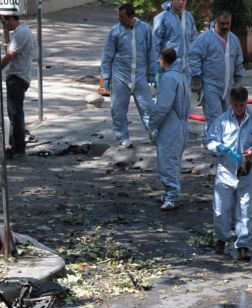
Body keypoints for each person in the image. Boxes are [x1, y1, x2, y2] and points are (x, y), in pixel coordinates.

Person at [205, 86, 252, 260]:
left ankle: (243, 244)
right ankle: (221, 238)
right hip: (226, 170)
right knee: (220, 208)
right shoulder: (222, 121)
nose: (239, 109)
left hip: (247, 171)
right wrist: (220, 147)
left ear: (246, 102)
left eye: (242, 105)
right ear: (231, 103)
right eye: (236, 105)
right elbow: (210, 140)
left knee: (245, 208)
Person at [100, 4, 155, 148]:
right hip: (120, 77)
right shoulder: (115, 31)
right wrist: (106, 76)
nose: (119, 19)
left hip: (140, 77)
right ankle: (122, 137)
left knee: (148, 108)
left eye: (122, 16)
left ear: (131, 17)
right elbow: (107, 55)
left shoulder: (145, 29)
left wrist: (153, 73)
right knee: (117, 108)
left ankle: (155, 135)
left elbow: (152, 51)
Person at [149, 48, 191, 211]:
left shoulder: (169, 78)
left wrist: (153, 124)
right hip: (181, 124)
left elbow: (162, 107)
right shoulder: (182, 77)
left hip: (171, 125)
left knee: (167, 161)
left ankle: (172, 195)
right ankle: (169, 193)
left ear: (164, 61)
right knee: (174, 160)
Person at [189, 11, 244, 133]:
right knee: (215, 118)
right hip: (210, 86)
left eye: (227, 23)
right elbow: (193, 56)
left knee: (229, 117)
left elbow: (238, 59)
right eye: (222, 23)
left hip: (228, 86)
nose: (225, 26)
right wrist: (196, 78)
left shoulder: (234, 39)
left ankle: (217, 140)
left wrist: (238, 79)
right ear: (215, 23)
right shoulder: (204, 39)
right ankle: (215, 144)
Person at [0, 15, 33, 159]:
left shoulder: (21, 32)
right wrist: (6, 33)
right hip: (18, 76)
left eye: (5, 22)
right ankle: (16, 146)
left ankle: (19, 149)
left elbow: (9, 55)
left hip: (17, 77)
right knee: (15, 113)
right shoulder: (18, 32)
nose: (4, 24)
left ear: (12, 19)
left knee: (15, 114)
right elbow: (9, 47)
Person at [152, 0, 197, 77]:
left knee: (185, 88)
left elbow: (194, 40)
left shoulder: (189, 17)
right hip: (168, 65)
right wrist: (156, 65)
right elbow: (155, 43)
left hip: (187, 67)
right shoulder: (162, 17)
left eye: (183, 0)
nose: (181, 2)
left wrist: (194, 62)